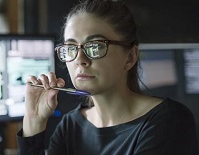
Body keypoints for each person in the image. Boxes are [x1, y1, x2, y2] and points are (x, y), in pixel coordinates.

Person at [16, 0, 199, 154]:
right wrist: (34, 120)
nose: (80, 60)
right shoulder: (71, 126)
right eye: (71, 48)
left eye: (95, 46)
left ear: (130, 57)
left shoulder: (169, 121)